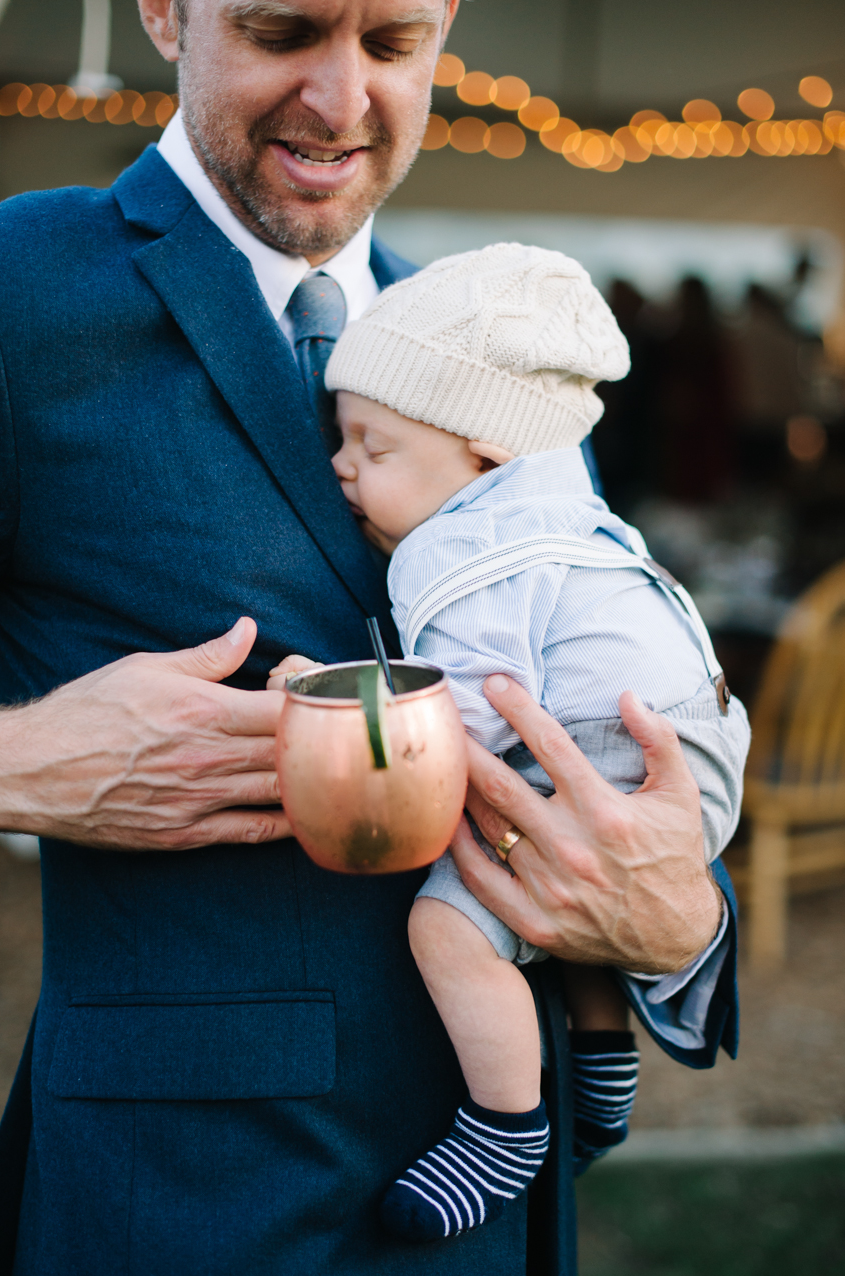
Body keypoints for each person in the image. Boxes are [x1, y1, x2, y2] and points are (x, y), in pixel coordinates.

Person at [0, 1, 737, 1272]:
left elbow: (597, 667)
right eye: (284, 30)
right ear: (164, 11)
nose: (341, 98)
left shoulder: (500, 348)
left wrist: (683, 914)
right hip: (191, 1204)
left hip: (503, 1209)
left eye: (391, 45)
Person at [268, 244, 749, 1242]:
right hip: (681, 747)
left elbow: (458, 728)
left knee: (451, 924)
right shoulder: (547, 495)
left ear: (481, 454)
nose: (340, 464)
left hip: (607, 757)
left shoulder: (461, 552)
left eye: (373, 446)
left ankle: (504, 1124)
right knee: (563, 903)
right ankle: (603, 1060)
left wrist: (315, 695)